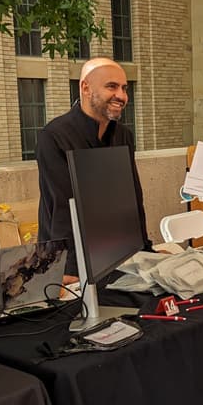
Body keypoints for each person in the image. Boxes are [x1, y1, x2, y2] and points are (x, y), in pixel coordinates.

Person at [36, 57, 150, 285]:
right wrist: (66, 269)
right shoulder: (54, 136)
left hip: (118, 257)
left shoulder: (123, 135)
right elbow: (62, 207)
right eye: (111, 86)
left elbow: (133, 198)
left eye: (124, 88)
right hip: (71, 263)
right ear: (85, 88)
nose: (122, 95)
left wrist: (146, 250)